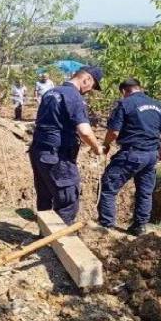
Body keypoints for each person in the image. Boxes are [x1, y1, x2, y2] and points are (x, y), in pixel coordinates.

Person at [97, 79, 161, 235]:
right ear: (140, 88)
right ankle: (139, 226)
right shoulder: (157, 105)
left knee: (108, 187)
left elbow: (114, 132)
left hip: (132, 154)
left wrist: (106, 144)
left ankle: (106, 227)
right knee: (145, 192)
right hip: (152, 155)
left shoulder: (125, 104)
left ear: (124, 91)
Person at [29, 66, 103, 224]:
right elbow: (84, 131)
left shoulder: (51, 92)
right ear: (86, 79)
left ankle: (44, 239)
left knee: (45, 197)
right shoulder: (74, 97)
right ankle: (59, 240)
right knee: (68, 200)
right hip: (57, 157)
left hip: (39, 151)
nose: (90, 90)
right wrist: (97, 148)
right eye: (92, 86)